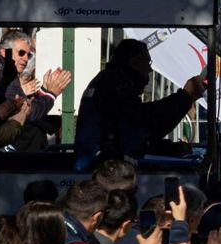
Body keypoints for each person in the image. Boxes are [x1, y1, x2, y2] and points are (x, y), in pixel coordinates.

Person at [72, 38, 205, 170]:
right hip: (105, 171)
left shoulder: (109, 80)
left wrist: (171, 148)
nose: (150, 69)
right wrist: (185, 97)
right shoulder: (115, 85)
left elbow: (137, 133)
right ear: (134, 62)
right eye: (147, 62)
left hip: (100, 165)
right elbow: (145, 123)